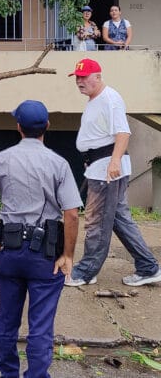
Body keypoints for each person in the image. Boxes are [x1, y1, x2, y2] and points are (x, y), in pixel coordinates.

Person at [0, 100, 81, 378]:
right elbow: (71, 214)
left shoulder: (1, 160)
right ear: (47, 126)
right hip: (44, 257)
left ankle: (8, 373)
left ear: (18, 127)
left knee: (7, 322)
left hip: (9, 253)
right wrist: (67, 255)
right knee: (41, 326)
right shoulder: (59, 163)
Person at [64, 58, 160, 288]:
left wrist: (114, 161)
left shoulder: (110, 99)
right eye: (77, 77)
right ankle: (148, 267)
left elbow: (123, 133)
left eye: (84, 77)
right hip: (100, 166)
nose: (79, 81)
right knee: (118, 219)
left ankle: (86, 272)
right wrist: (92, 160)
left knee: (96, 222)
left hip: (108, 170)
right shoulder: (95, 100)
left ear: (97, 76)